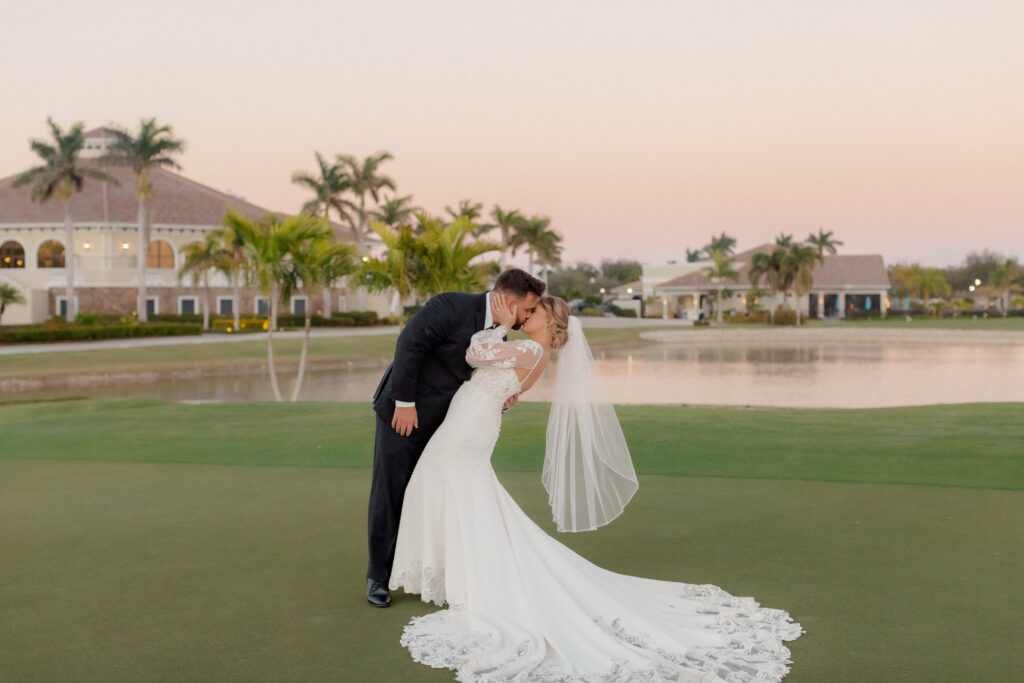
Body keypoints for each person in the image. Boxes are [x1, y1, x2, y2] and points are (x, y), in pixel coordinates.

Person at [389, 295, 803, 682]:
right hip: (474, 423)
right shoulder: (534, 354)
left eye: (533, 312)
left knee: (459, 490)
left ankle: (466, 578)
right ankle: (455, 574)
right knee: (466, 495)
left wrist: (497, 324)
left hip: (469, 428)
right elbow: (504, 387)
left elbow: (475, 354)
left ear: (549, 321)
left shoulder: (531, 350)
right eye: (526, 310)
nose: (525, 315)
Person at [366, 269, 546, 607]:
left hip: (448, 427)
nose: (527, 317)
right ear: (509, 301)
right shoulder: (452, 305)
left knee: (432, 493)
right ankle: (378, 576)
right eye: (527, 309)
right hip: (404, 415)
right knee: (391, 491)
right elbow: (410, 343)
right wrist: (404, 402)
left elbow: (483, 381)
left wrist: (503, 398)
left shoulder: (500, 335)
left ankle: (427, 570)